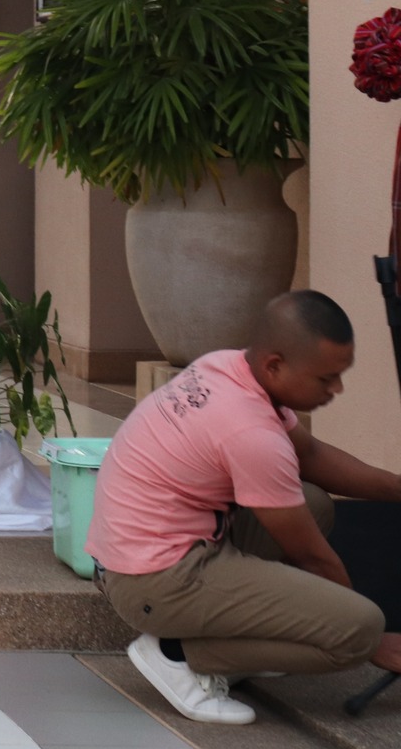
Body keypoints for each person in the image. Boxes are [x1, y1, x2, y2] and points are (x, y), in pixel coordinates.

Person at [88, 290, 401, 724]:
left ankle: (236, 640)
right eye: (326, 378)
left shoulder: (226, 366)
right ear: (275, 365)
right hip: (154, 581)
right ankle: (177, 655)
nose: (337, 389)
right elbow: (312, 557)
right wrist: (369, 640)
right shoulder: (251, 434)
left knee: (313, 505)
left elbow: (311, 456)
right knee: (357, 630)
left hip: (141, 552)